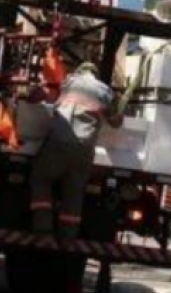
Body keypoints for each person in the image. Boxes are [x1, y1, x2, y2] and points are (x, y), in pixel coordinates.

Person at [29, 62, 115, 240]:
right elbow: (115, 122)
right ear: (95, 75)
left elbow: (44, 97)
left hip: (59, 141)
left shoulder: (68, 83)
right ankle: (67, 236)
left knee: (40, 178)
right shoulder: (104, 90)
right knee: (74, 190)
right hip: (84, 148)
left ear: (79, 72)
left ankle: (43, 228)